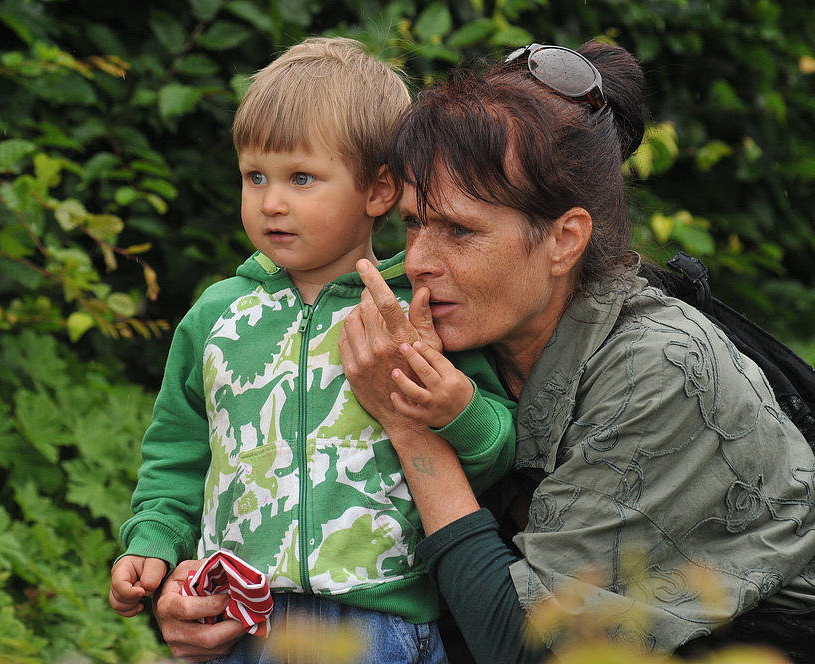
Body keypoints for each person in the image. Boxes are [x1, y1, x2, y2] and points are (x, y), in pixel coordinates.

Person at [334, 40, 815, 663]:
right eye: (415, 223)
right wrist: (200, 586)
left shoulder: (656, 369)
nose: (420, 261)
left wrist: (409, 424)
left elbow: (529, 646)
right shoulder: (470, 345)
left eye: (459, 230)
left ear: (564, 240)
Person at [108, 37, 518, 663]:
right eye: (255, 177)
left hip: (378, 627)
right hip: (240, 624)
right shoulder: (218, 316)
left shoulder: (412, 311)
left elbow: (494, 453)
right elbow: (176, 454)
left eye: (302, 178)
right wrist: (153, 539)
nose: (272, 202)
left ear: (379, 191)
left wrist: (457, 406)